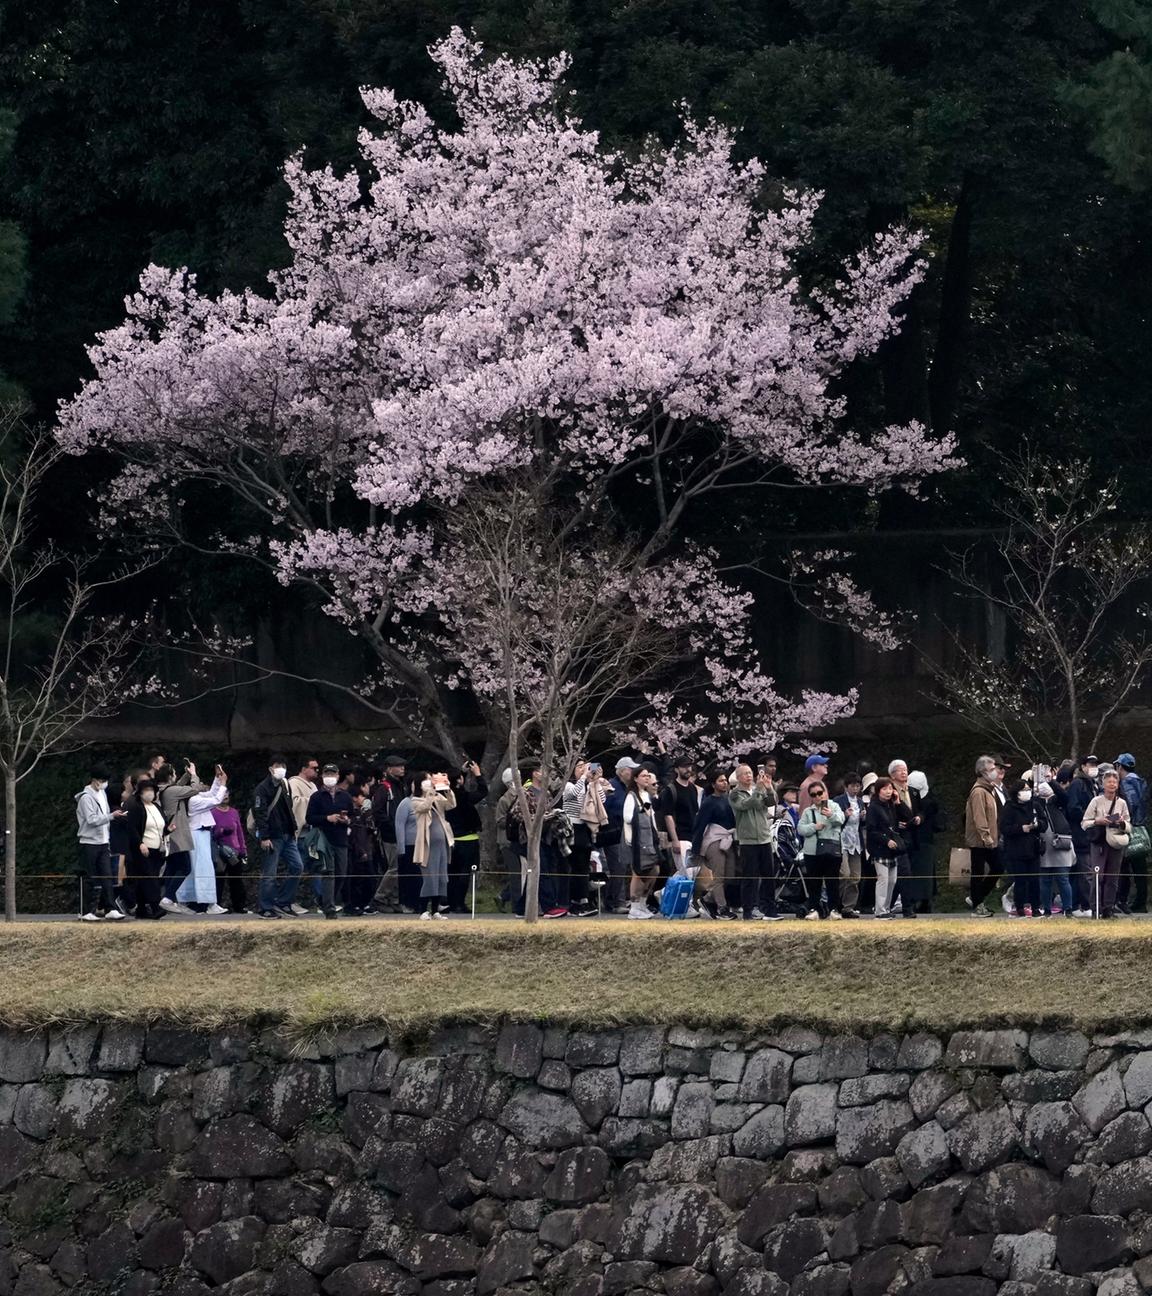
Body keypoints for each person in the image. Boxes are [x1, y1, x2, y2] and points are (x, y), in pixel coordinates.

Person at [395, 771, 456, 919]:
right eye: (427, 780)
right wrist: (430, 793)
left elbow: (451, 804)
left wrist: (446, 788)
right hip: (427, 845)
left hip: (442, 844)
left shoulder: (436, 797)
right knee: (429, 878)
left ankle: (435, 910)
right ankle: (423, 909)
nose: (431, 782)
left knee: (441, 878)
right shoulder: (414, 800)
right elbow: (424, 808)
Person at [252, 757, 305, 919]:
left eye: (283, 766)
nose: (281, 769)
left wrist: (294, 829)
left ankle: (283, 902)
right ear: (270, 769)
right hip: (273, 836)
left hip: (288, 834)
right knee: (270, 873)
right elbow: (259, 813)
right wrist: (264, 836)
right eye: (277, 766)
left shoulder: (284, 785)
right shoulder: (262, 789)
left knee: (298, 867)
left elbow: (289, 809)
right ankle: (265, 907)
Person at [729, 764, 782, 921]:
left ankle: (770, 909)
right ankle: (748, 910)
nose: (749, 776)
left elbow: (771, 803)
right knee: (750, 877)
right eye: (744, 774)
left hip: (764, 838)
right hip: (748, 841)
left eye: (750, 773)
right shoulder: (734, 793)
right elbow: (745, 805)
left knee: (768, 876)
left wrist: (769, 787)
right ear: (738, 777)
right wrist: (759, 790)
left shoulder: (758, 788)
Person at [75, 767, 126, 922]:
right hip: (89, 842)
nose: (104, 784)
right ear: (94, 780)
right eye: (102, 781)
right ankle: (85, 911)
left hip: (103, 841)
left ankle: (110, 908)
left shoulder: (102, 793)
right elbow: (91, 820)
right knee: (90, 877)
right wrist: (111, 816)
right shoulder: (85, 798)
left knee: (107, 875)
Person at [157, 761, 208, 915]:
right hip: (177, 834)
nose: (176, 776)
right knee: (185, 867)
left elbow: (178, 785)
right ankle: (167, 898)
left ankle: (168, 898)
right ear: (169, 776)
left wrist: (186, 775)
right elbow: (195, 789)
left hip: (170, 834)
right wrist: (194, 775)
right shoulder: (172, 791)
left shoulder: (164, 789)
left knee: (172, 868)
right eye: (174, 773)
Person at [176, 765, 229, 914]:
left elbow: (212, 793)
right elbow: (216, 799)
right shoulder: (194, 800)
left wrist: (217, 779)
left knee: (199, 868)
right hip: (197, 834)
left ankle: (190, 900)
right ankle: (208, 903)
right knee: (202, 868)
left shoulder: (197, 797)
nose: (201, 785)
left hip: (202, 834)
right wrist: (223, 784)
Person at [1081, 767, 1131, 919]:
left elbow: (1129, 824)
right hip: (1099, 842)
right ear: (1103, 784)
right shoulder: (1096, 801)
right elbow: (1084, 823)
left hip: (1115, 842)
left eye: (1115, 782)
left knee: (1113, 877)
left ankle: (1108, 908)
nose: (1112, 784)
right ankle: (1096, 907)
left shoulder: (1122, 803)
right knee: (1098, 875)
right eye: (1109, 782)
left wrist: (1121, 823)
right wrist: (1098, 821)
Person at [305, 764, 354, 918]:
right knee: (328, 872)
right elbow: (309, 818)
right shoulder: (316, 797)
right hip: (323, 839)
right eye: (327, 774)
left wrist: (345, 820)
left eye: (332, 774)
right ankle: (329, 909)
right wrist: (327, 818)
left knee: (341, 872)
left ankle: (324, 899)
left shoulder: (345, 796)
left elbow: (352, 815)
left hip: (341, 838)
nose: (330, 777)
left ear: (338, 775)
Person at [691, 770, 739, 918]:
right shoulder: (709, 802)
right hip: (714, 840)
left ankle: (707, 899)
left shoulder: (728, 799)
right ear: (713, 784)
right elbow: (699, 826)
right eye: (720, 781)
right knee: (719, 875)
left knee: (730, 875)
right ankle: (722, 908)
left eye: (725, 780)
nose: (724, 783)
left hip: (728, 839)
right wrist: (696, 849)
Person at [865, 777, 914, 918]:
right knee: (883, 879)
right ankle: (880, 910)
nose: (888, 792)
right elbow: (872, 830)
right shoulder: (873, 807)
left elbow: (906, 816)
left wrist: (898, 802)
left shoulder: (890, 805)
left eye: (890, 788)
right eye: (884, 789)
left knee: (892, 880)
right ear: (878, 791)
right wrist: (886, 840)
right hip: (880, 848)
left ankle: (886, 908)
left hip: (892, 849)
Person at [562, 760, 605, 918]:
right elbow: (573, 794)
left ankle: (583, 899)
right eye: (579, 767)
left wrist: (595, 781)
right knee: (575, 865)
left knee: (584, 866)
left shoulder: (589, 785)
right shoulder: (568, 785)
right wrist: (583, 777)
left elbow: (602, 800)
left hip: (586, 828)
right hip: (572, 827)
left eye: (586, 766)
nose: (584, 769)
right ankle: (574, 901)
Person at [797, 781, 846, 919]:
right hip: (812, 851)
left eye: (820, 793)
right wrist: (814, 827)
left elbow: (841, 820)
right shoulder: (808, 811)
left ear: (825, 792)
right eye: (814, 795)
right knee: (814, 883)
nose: (818, 797)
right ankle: (814, 910)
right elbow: (800, 829)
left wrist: (830, 815)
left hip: (832, 849)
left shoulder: (834, 806)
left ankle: (834, 910)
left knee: (832, 882)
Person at [446, 762, 488, 913]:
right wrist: (477, 774)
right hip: (467, 839)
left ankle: (451, 903)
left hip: (451, 839)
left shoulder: (446, 795)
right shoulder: (463, 797)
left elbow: (456, 784)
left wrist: (462, 772)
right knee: (464, 873)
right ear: (458, 781)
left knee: (452, 874)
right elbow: (483, 791)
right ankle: (459, 903)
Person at [964, 755, 1003, 917]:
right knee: (979, 871)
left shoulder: (989, 789)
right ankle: (977, 903)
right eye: (992, 768)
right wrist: (987, 837)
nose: (995, 771)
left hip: (989, 839)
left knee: (998, 867)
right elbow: (979, 818)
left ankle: (976, 898)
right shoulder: (979, 791)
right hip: (981, 841)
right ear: (983, 772)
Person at [623, 767, 664, 919]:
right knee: (638, 873)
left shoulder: (646, 794)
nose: (646, 778)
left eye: (648, 776)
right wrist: (642, 810)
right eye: (643, 776)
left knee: (654, 870)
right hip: (635, 841)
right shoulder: (631, 796)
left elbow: (651, 816)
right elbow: (627, 817)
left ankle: (642, 902)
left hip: (650, 839)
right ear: (635, 778)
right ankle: (634, 906)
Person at [602, 757, 641, 914]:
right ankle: (615, 901)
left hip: (626, 833)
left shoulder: (628, 788)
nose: (632, 773)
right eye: (630, 770)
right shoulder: (610, 786)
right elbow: (607, 808)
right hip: (613, 833)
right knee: (618, 867)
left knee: (624, 867)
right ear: (622, 771)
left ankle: (618, 899)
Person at [370, 754, 407, 912]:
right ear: (389, 769)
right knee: (394, 867)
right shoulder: (384, 788)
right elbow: (378, 812)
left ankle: (393, 899)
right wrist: (391, 826)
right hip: (389, 834)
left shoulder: (399, 786)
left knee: (400, 867)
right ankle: (380, 897)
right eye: (398, 766)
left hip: (400, 833)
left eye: (402, 765)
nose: (402, 768)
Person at [1064, 754, 1099, 917]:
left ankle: (1079, 904)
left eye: (1095, 764)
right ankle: (1087, 904)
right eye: (1090, 764)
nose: (1093, 767)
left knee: (1084, 872)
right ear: (1083, 766)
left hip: (1091, 833)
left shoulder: (1092, 784)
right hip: (1080, 833)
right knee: (1085, 872)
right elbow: (1073, 809)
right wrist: (1091, 816)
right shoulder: (1078, 784)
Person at [125, 777, 166, 919]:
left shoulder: (157, 807)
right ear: (140, 792)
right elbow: (132, 828)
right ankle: (155, 906)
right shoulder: (136, 807)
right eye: (146, 790)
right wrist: (139, 843)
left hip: (157, 848)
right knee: (149, 878)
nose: (149, 793)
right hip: (143, 848)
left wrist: (169, 829)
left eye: (151, 790)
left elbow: (161, 826)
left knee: (148, 878)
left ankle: (141, 909)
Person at [1000, 779, 1042, 917]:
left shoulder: (1035, 805)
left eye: (1028, 789)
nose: (1027, 792)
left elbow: (1044, 823)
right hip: (1016, 849)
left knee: (1035, 881)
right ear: (1016, 792)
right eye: (1023, 790)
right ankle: (1020, 908)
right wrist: (1020, 828)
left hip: (1033, 848)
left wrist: (1037, 825)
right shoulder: (1009, 807)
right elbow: (1004, 828)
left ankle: (1036, 907)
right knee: (1020, 881)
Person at [907, 769, 944, 914]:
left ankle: (918, 901)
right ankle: (925, 901)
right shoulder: (931, 801)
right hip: (926, 841)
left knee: (919, 872)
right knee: (926, 873)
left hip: (919, 840)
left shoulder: (923, 802)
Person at [1036, 779, 1075, 917]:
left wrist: (1051, 781)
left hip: (1060, 843)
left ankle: (1068, 909)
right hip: (1043, 845)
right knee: (1045, 880)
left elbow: (1065, 797)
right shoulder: (1035, 803)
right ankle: (1046, 910)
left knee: (1063, 879)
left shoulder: (1057, 802)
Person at [1115, 753, 1149, 914]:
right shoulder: (1141, 781)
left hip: (1131, 827)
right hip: (1141, 827)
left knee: (1125, 867)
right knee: (1140, 869)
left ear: (1120, 767)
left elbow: (1131, 804)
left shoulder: (1127, 783)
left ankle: (1129, 901)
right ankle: (1140, 901)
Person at [660, 756, 702, 874]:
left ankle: (663, 892)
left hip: (693, 836)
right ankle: (666, 892)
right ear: (677, 769)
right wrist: (675, 840)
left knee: (694, 873)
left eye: (689, 766)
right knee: (686, 873)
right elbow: (668, 816)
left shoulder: (693, 788)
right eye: (684, 767)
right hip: (680, 836)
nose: (688, 769)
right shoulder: (670, 790)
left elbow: (696, 812)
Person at [211, 789, 249, 914]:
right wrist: (221, 832)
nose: (225, 796)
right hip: (219, 850)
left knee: (237, 879)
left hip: (235, 850)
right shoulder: (212, 812)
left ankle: (240, 906)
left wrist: (243, 849)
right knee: (219, 878)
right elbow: (210, 834)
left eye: (227, 793)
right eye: (223, 794)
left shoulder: (234, 812)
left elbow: (239, 832)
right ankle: (217, 904)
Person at [345, 782, 379, 917]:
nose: (362, 799)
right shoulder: (351, 815)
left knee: (370, 879)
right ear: (354, 798)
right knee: (357, 879)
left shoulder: (363, 813)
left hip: (367, 848)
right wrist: (361, 851)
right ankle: (353, 904)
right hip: (357, 851)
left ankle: (364, 903)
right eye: (360, 796)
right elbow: (355, 836)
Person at [834, 774, 864, 917]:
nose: (855, 788)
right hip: (842, 841)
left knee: (855, 876)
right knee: (844, 874)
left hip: (856, 842)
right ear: (846, 787)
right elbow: (834, 821)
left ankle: (848, 907)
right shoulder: (838, 801)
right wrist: (844, 816)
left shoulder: (860, 802)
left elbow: (862, 824)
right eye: (852, 786)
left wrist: (864, 817)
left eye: (858, 786)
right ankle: (836, 903)